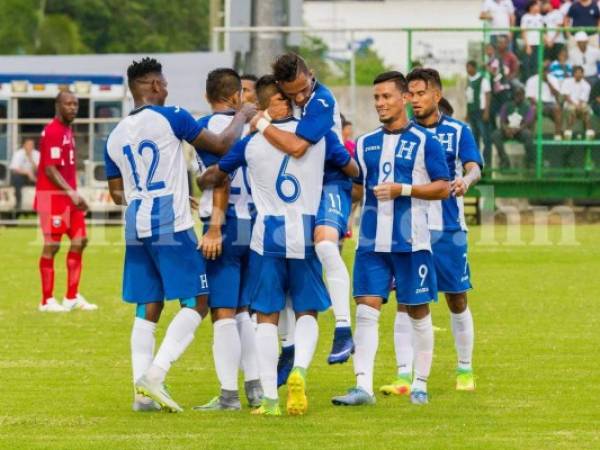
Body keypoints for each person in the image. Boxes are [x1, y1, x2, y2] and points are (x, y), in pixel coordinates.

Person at [199, 76, 359, 416]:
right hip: (305, 231)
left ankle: (270, 397)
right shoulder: (318, 136)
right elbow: (352, 169)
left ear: (266, 105)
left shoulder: (250, 143)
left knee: (267, 318)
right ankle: (299, 369)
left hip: (265, 236)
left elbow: (216, 176)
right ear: (287, 100)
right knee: (306, 311)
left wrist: (202, 177)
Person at [104, 57, 255, 413]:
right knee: (198, 301)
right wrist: (243, 116)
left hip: (135, 223)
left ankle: (141, 397)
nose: (167, 87)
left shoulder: (114, 134)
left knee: (147, 306)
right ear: (154, 86)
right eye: (164, 82)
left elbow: (116, 193)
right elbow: (220, 146)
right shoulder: (172, 115)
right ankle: (155, 375)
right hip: (170, 223)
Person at [331, 71, 451, 407]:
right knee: (366, 310)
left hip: (412, 240)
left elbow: (442, 186)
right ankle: (363, 388)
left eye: (386, 97)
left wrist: (405, 190)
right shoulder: (367, 143)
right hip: (371, 242)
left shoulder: (427, 141)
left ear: (404, 99)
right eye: (376, 98)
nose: (381, 103)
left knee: (417, 311)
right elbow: (358, 189)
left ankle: (420, 383)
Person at [255, 52, 355, 379]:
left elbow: (298, 147)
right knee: (284, 268)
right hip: (297, 191)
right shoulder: (283, 99)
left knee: (325, 246)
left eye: (303, 88)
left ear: (311, 74)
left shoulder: (322, 101)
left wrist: (260, 120)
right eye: (292, 92)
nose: (300, 97)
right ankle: (289, 346)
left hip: (329, 182)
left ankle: (343, 330)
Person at [389, 68, 482, 395]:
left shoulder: (458, 131)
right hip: (409, 229)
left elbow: (474, 166)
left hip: (448, 230)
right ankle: (403, 374)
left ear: (436, 96)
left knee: (456, 298)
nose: (413, 100)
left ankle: (465, 367)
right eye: (410, 94)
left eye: (420, 93)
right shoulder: (402, 133)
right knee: (405, 300)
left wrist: (466, 181)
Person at [192, 68, 262, 411]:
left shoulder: (209, 128)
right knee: (243, 312)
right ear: (237, 95)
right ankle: (255, 387)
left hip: (226, 221)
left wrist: (214, 227)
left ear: (208, 96)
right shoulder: (253, 126)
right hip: (252, 220)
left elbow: (219, 179)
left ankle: (228, 395)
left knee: (222, 312)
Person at [35, 91, 97, 313]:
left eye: (76, 104)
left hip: (69, 199)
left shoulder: (67, 130)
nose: (73, 108)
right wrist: (72, 193)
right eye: (68, 104)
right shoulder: (52, 131)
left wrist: (75, 194)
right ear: (58, 105)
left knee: (80, 240)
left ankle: (71, 297)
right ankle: (46, 300)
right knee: (52, 246)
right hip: (52, 199)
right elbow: (50, 169)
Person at [491, 87, 536, 168]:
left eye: (520, 95)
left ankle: (530, 162)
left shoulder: (528, 107)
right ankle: (504, 160)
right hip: (507, 130)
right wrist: (507, 129)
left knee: (528, 135)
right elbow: (502, 121)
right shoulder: (507, 105)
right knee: (495, 135)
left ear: (523, 96)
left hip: (520, 131)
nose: (518, 97)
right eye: (516, 95)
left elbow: (527, 123)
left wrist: (516, 130)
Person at [525, 60, 563, 138]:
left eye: (546, 70)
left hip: (550, 104)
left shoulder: (553, 79)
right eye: (543, 69)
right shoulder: (531, 80)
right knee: (532, 109)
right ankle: (531, 136)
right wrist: (537, 103)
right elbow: (529, 97)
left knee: (557, 109)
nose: (544, 71)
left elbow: (556, 95)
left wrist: (548, 82)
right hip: (537, 103)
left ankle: (557, 136)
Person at [466, 61, 493, 166]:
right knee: (475, 138)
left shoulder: (483, 80)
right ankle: (477, 163)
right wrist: (467, 112)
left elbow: (487, 95)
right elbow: (469, 98)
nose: (467, 70)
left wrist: (486, 111)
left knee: (485, 138)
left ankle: (488, 162)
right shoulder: (469, 81)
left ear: (474, 68)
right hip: (472, 112)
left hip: (481, 112)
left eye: (469, 67)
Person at [562, 65, 595, 139]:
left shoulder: (586, 85)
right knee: (572, 110)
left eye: (580, 73)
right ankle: (568, 132)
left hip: (581, 104)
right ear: (574, 73)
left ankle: (588, 133)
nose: (579, 74)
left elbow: (582, 100)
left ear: (583, 74)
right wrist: (575, 105)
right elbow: (566, 97)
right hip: (569, 103)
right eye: (577, 73)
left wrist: (578, 106)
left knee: (586, 111)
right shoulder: (567, 81)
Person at [10, 138, 39, 213]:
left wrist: (31, 159)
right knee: (16, 178)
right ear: (24, 145)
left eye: (32, 145)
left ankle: (39, 203)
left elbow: (39, 169)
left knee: (42, 178)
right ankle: (18, 203)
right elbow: (14, 169)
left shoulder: (37, 154)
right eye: (28, 144)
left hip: (34, 175)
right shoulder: (18, 154)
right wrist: (28, 173)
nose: (30, 146)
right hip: (23, 175)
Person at [521, 1, 545, 79]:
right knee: (528, 64)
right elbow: (523, 32)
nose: (538, 7)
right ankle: (528, 81)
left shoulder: (540, 17)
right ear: (531, 7)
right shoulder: (525, 17)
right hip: (529, 44)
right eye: (536, 6)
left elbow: (543, 31)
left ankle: (536, 80)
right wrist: (527, 45)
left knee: (537, 64)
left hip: (538, 44)